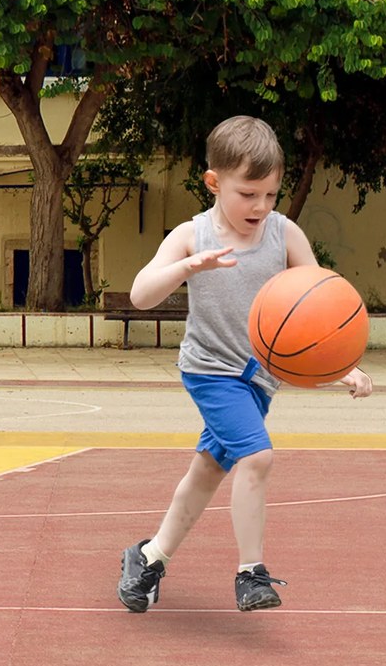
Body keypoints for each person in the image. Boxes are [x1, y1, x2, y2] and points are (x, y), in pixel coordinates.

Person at [116, 115, 372, 613]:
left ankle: (148, 556)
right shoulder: (192, 235)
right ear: (214, 182)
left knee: (209, 470)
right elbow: (141, 294)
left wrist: (341, 365)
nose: (260, 206)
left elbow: (321, 312)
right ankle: (251, 573)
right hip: (210, 372)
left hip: (259, 380)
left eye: (271, 194)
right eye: (248, 193)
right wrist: (188, 265)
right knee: (257, 457)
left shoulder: (285, 235)